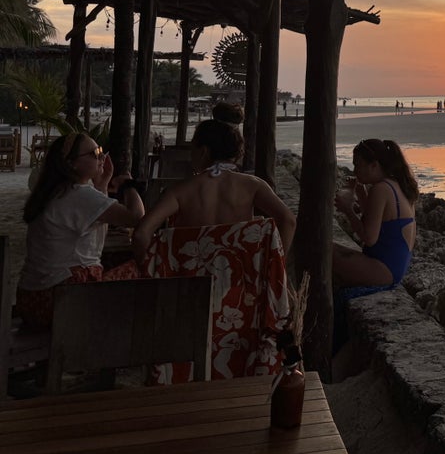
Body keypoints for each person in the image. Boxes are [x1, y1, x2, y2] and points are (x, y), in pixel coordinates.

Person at [132, 103, 295, 261]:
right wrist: (276, 265)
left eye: (192, 149)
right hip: (238, 282)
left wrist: (150, 268)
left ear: (203, 151)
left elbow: (141, 234)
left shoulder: (179, 191)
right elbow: (288, 220)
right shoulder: (254, 185)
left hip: (190, 283)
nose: (191, 156)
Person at [16, 132, 145, 327]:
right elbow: (136, 217)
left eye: (101, 151)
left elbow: (98, 223)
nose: (101, 157)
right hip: (60, 299)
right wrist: (129, 186)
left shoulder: (58, 191)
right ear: (72, 163)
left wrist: (102, 183)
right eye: (94, 153)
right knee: (146, 264)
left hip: (33, 299)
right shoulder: (79, 194)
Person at [332, 139, 417, 288]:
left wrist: (348, 210)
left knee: (319, 251)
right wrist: (360, 191)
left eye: (357, 165)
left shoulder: (381, 189)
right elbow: (374, 219)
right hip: (394, 269)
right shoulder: (398, 185)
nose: (354, 170)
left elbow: (369, 238)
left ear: (374, 165)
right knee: (326, 247)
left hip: (382, 270)